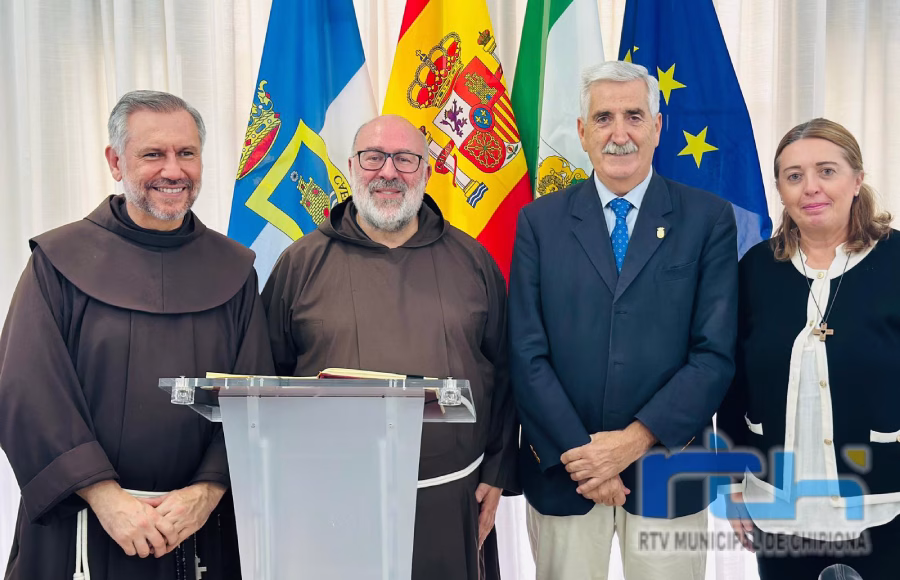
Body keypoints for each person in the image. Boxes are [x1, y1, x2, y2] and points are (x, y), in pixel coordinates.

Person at [0, 90, 274, 579]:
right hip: (82, 527)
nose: (174, 170)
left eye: (186, 153)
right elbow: (28, 390)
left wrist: (208, 491)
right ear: (115, 160)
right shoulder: (57, 263)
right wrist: (104, 497)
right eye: (153, 154)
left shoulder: (235, 271)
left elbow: (256, 397)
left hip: (198, 529)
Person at [260, 114, 518, 580]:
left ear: (427, 170)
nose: (388, 172)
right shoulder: (300, 264)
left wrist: (497, 473)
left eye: (405, 159)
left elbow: (504, 374)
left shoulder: (472, 261)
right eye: (373, 157)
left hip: (451, 498)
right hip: (333, 501)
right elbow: (265, 380)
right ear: (352, 166)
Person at [508, 60, 738, 579]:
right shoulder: (539, 222)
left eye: (634, 116)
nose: (620, 133)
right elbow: (525, 350)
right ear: (583, 132)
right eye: (604, 117)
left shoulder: (708, 220)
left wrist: (631, 444)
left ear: (657, 128)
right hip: (565, 471)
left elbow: (713, 354)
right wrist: (585, 458)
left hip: (668, 468)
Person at [718, 118, 899, 579]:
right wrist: (735, 484)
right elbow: (734, 385)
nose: (810, 188)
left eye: (827, 171)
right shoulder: (755, 268)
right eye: (794, 176)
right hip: (778, 508)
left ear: (857, 180)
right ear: (779, 188)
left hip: (886, 503)